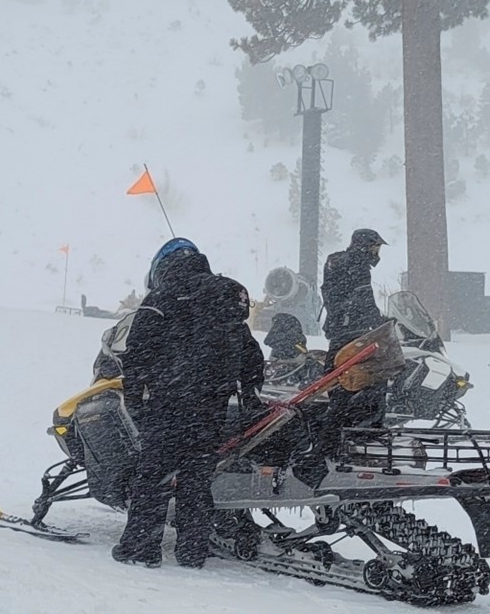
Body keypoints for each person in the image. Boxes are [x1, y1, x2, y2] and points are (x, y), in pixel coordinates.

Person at [113, 239, 264, 569]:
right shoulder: (222, 296)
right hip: (211, 410)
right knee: (196, 481)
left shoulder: (160, 298)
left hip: (168, 404)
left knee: (153, 478)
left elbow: (136, 353)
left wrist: (135, 398)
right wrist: (250, 393)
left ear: (161, 267)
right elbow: (252, 354)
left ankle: (141, 548)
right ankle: (193, 551)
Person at [297, 228, 391, 485]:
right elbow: (363, 301)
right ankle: (349, 441)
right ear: (365, 246)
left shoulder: (335, 261)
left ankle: (327, 443)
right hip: (356, 337)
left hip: (338, 335)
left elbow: (334, 297)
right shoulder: (358, 266)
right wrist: (380, 323)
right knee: (370, 383)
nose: (377, 253)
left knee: (338, 390)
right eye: (375, 248)